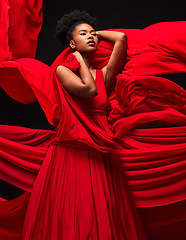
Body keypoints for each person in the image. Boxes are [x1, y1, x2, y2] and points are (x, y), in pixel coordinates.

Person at [22, 10, 147, 240]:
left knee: (105, 208)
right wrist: (78, 59)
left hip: (101, 150)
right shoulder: (61, 70)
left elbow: (121, 38)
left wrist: (93, 33)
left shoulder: (104, 74)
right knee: (72, 209)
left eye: (93, 34)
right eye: (83, 33)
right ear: (71, 42)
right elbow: (89, 90)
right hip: (72, 150)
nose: (91, 37)